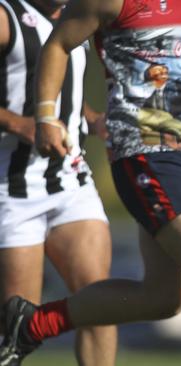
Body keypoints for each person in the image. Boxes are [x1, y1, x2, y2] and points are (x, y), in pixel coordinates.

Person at [1, 0, 181, 363]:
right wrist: (45, 115)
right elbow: (58, 43)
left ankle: (32, 323)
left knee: (164, 297)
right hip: (144, 155)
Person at [0, 0, 117, 365]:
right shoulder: (7, 17)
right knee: (15, 328)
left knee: (99, 305)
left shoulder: (77, 16)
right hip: (11, 187)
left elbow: (57, 88)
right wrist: (22, 124)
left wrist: (94, 119)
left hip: (71, 181)